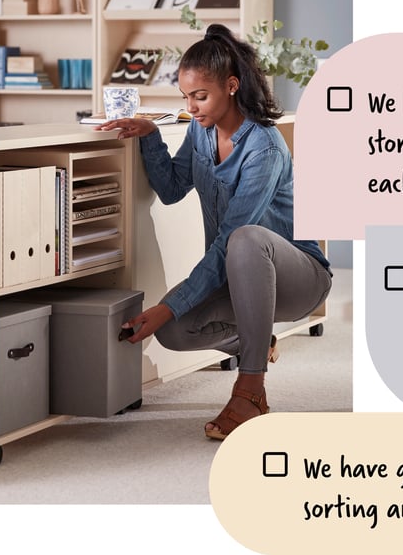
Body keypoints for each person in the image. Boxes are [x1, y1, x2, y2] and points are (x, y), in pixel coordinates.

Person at [96, 24, 332, 440]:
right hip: (240, 276)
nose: (192, 106)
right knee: (173, 330)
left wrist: (167, 303)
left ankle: (251, 389)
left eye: (200, 97)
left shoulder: (265, 147)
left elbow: (230, 241)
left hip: (299, 278)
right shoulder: (199, 130)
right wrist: (150, 135)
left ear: (232, 87)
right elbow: (170, 190)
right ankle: (255, 342)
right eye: (186, 97)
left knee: (244, 239)